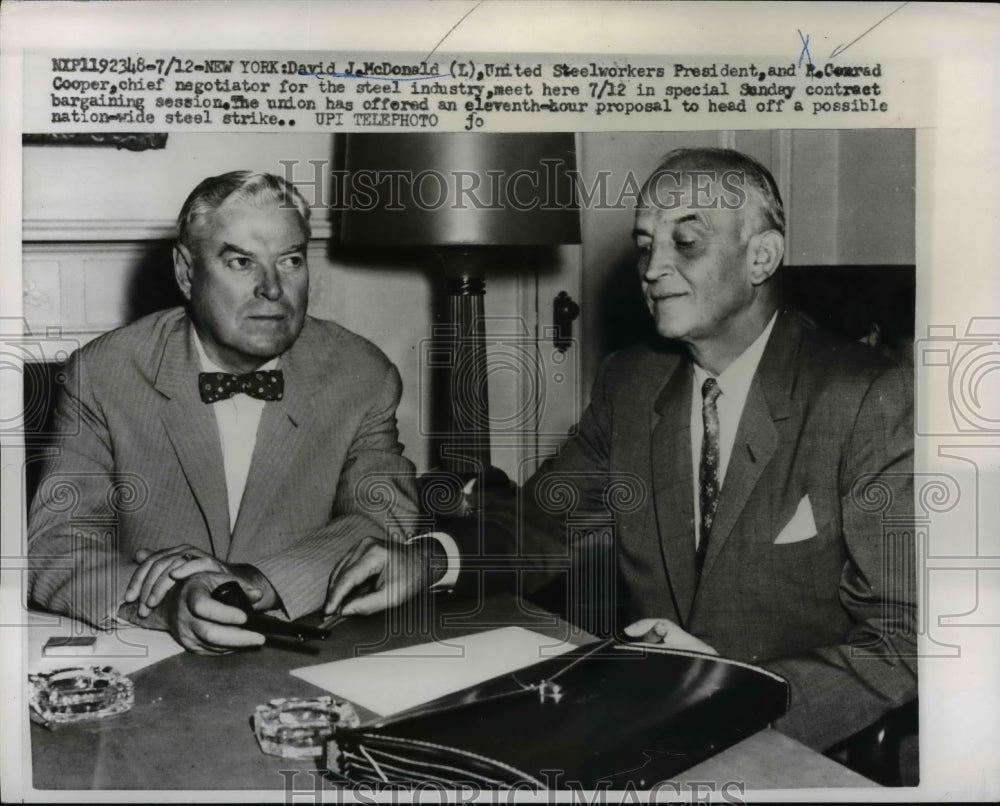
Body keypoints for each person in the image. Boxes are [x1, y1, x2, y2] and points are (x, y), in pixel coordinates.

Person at [327, 148, 917, 752]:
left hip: (788, 735)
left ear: (761, 256)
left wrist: (738, 689)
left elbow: (905, 640)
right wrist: (425, 560)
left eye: (686, 243)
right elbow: (543, 522)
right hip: (648, 721)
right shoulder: (632, 383)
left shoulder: (868, 398)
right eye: (643, 245)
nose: (654, 267)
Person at [28, 171, 444, 654]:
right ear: (187, 272)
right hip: (153, 656)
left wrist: (255, 581)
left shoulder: (361, 373)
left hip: (315, 646)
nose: (272, 289)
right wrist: (164, 603)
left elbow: (383, 521)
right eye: (241, 262)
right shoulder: (105, 372)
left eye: (290, 261)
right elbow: (53, 544)